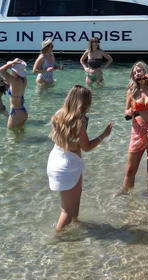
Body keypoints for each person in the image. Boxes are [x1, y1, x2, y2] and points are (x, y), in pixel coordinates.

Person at [47, 85, 112, 230]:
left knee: (75, 200)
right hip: (68, 164)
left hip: (56, 160)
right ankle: (57, 240)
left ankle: (76, 230)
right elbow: (86, 147)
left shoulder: (58, 115)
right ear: (83, 103)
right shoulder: (80, 122)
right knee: (66, 210)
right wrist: (104, 135)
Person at [122, 61, 148, 192]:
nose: (137, 74)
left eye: (139, 71)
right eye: (134, 72)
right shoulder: (132, 90)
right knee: (130, 170)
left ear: (145, 71)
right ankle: (125, 194)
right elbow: (126, 110)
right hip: (138, 130)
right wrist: (128, 112)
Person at [0, 58, 29, 129]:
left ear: (14, 71)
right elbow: (15, 88)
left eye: (11, 69)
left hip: (15, 113)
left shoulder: (14, 81)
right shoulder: (24, 79)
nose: (10, 70)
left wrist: (12, 62)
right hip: (23, 111)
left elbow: (1, 70)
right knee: (21, 136)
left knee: (11, 138)